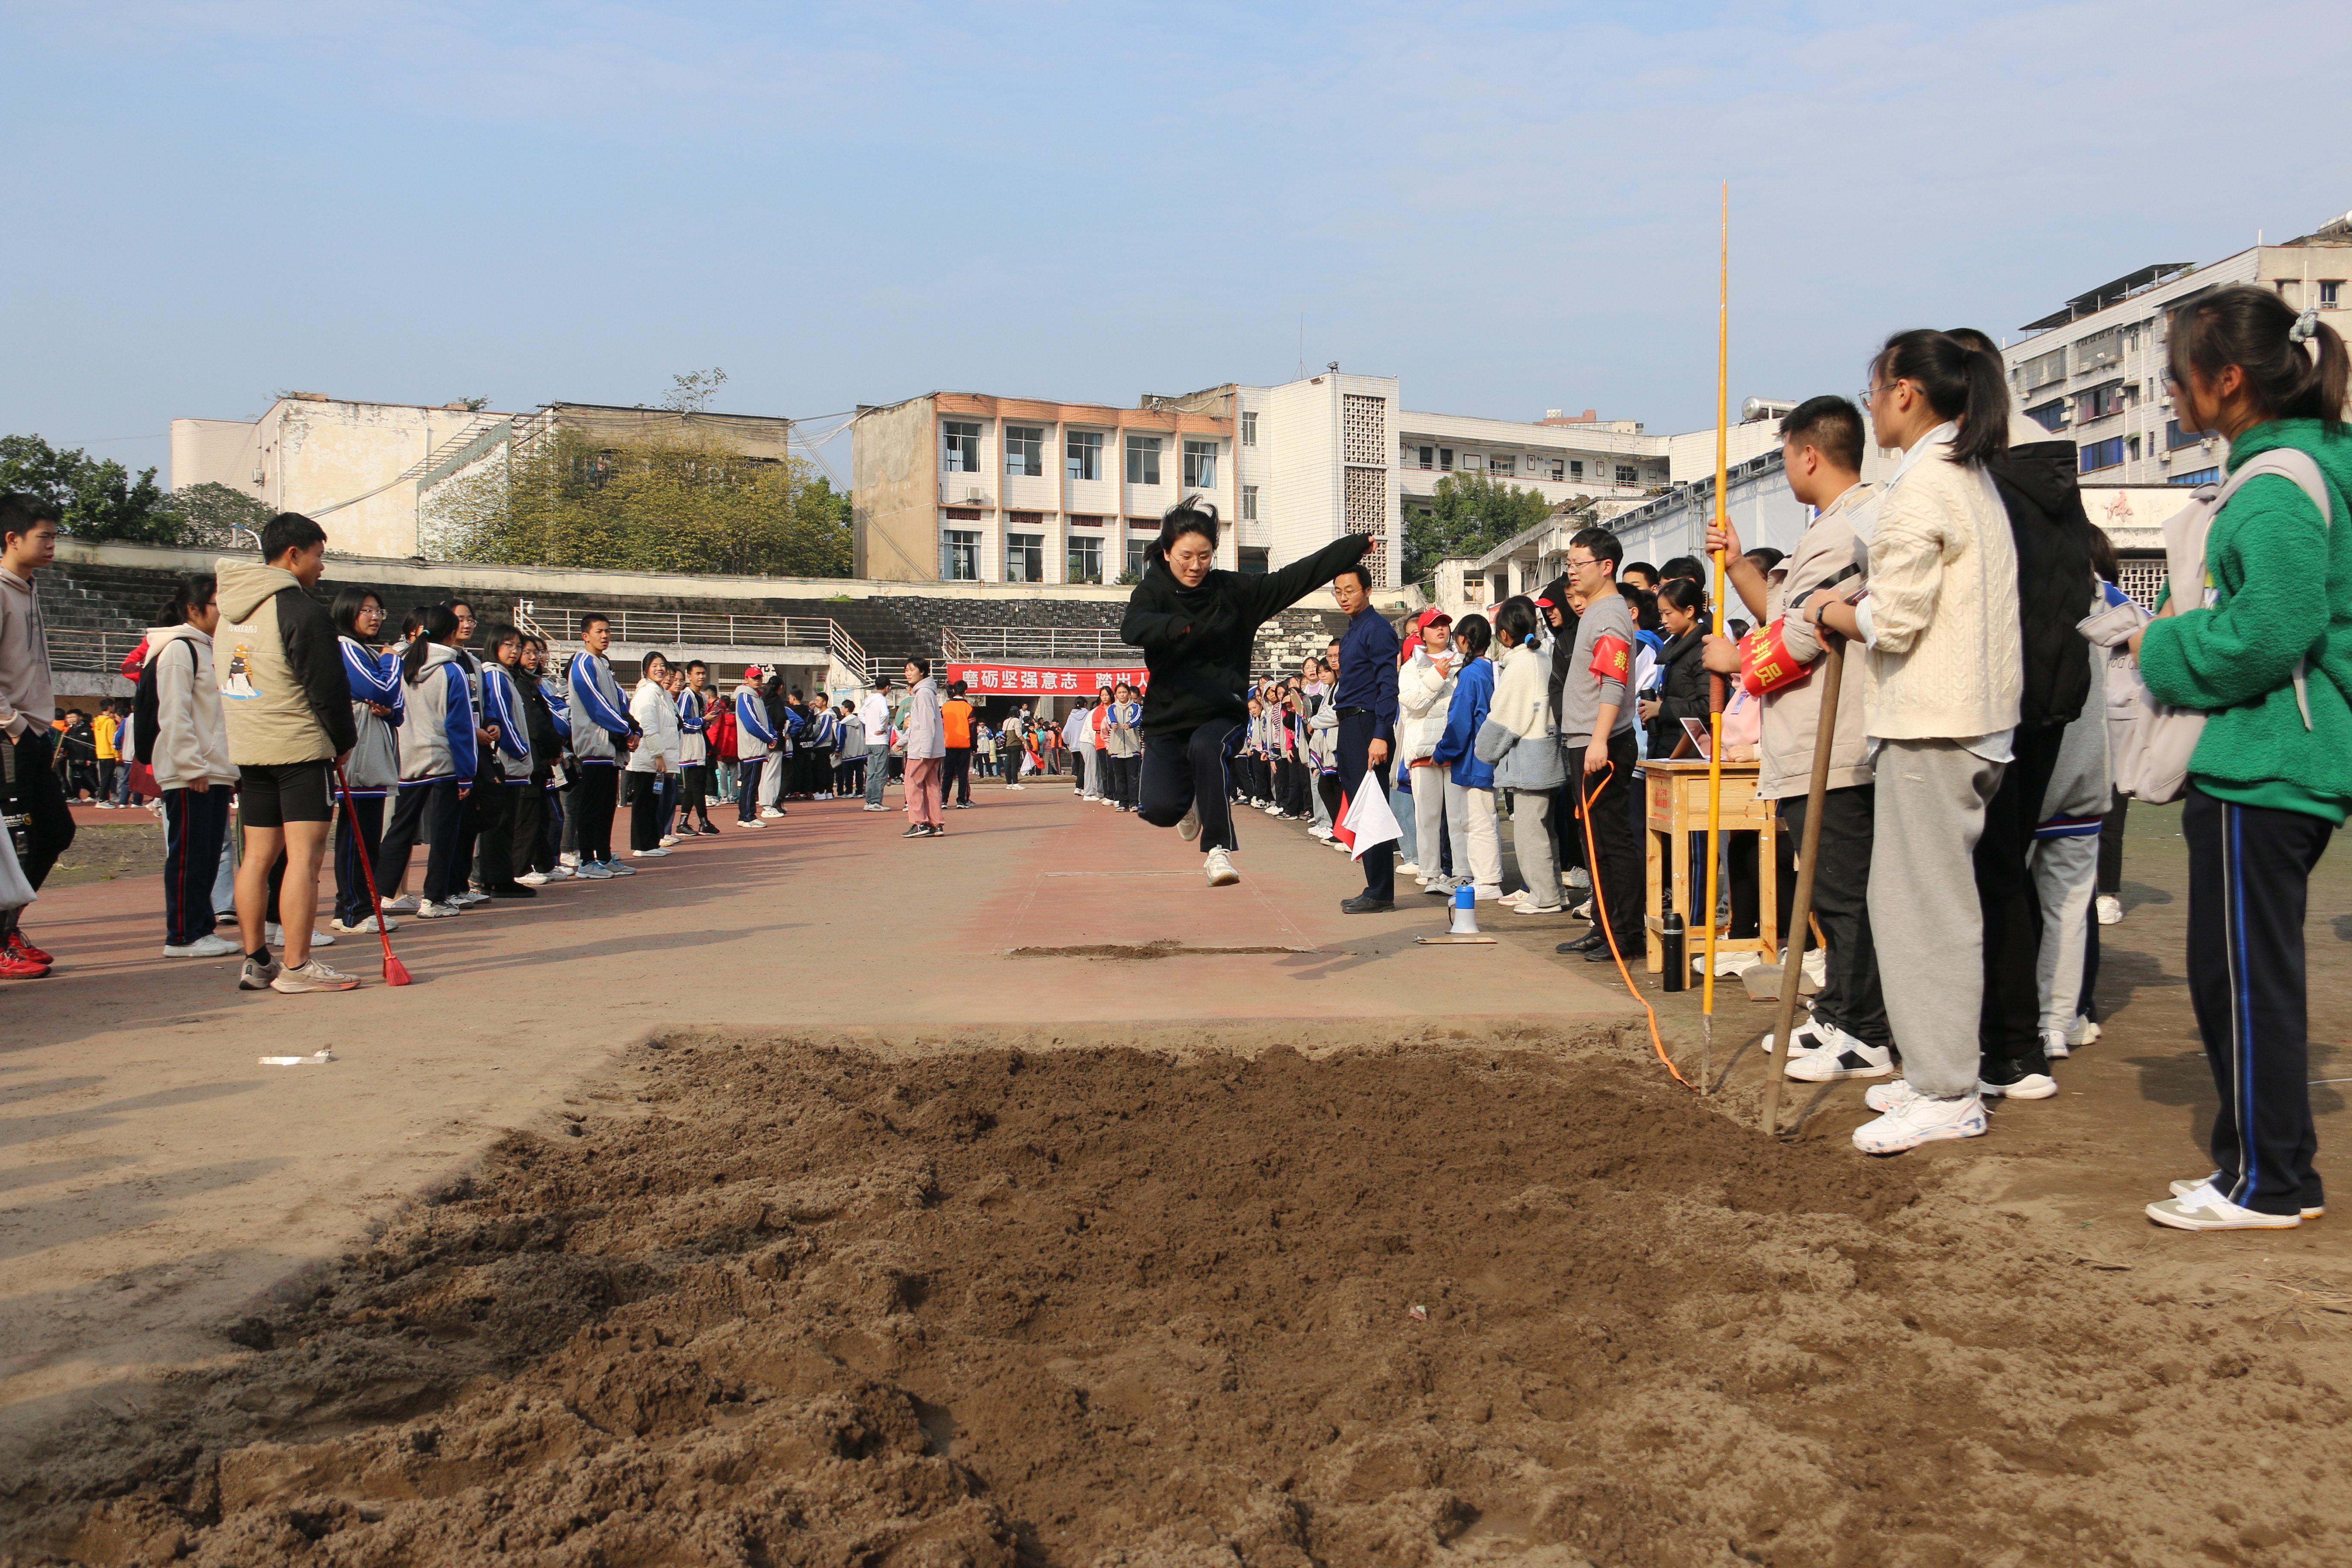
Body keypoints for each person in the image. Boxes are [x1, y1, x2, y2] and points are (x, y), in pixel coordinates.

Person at [2132, 285, 2349, 1230]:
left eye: (2179, 379)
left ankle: (2267, 1180)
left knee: (2245, 978)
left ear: (2228, 381)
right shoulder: (2308, 467)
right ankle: (2266, 1170)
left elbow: (2275, 625)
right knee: (2247, 971)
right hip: (2285, 761)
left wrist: (2158, 651)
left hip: (2265, 761)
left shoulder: (2272, 484)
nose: (2173, 396)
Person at [1806, 330, 2021, 1153]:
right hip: (1968, 719)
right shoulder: (1963, 474)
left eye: (1872, 387)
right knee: (1933, 904)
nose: (1868, 404)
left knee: (1920, 909)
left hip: (1935, 723)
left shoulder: (1923, 482)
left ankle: (1944, 1087)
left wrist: (1833, 612)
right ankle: (1937, 1067)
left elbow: (1892, 620)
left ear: (1904, 392)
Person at [1706, 396, 1890, 1080]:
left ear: (1808, 454)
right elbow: (1787, 611)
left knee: (1843, 893)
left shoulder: (1852, 529)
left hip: (1833, 744)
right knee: (1824, 892)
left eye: (1785, 455)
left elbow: (1803, 636)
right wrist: (1735, 565)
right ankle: (1841, 1009)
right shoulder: (1829, 528)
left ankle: (1867, 1029)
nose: (1785, 467)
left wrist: (1736, 661)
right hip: (1808, 741)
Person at [1122, 498, 1374, 888]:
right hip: (1167, 719)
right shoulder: (1151, 592)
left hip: (1220, 712)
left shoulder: (1234, 592)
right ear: (1168, 551)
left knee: (1208, 748)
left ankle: (1218, 850)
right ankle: (1187, 800)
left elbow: (1296, 577)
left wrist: (1352, 546)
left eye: (1204, 556)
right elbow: (1132, 628)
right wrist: (1170, 627)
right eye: (1186, 556)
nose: (1195, 566)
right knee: (1158, 809)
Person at [213, 512, 359, 992]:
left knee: (257, 858)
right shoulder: (301, 610)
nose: (322, 567)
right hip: (298, 748)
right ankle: (297, 966)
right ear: (293, 554)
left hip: (251, 748)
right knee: (305, 859)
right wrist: (343, 744)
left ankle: (258, 962)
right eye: (319, 556)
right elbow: (328, 690)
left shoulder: (230, 609)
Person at [1553, 528, 1641, 963]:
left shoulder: (1609, 615)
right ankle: (1603, 927)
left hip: (1600, 744)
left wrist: (1601, 739)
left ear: (1606, 566)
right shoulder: (1595, 611)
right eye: (1568, 565)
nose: (1571, 572)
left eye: (1578, 564)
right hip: (1585, 739)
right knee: (1593, 845)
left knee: (1609, 842)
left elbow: (1614, 680)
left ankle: (1624, 934)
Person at [145, 576, 239, 958]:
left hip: (215, 768)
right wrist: (190, 764)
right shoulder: (179, 650)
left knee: (207, 852)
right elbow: (174, 712)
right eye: (219, 604)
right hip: (192, 771)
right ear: (194, 610)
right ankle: (182, 934)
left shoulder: (217, 649)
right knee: (189, 854)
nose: (225, 613)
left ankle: (202, 928)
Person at [0, 493, 72, 977]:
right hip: (10, 734)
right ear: (12, 539)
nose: (52, 545)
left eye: (53, 536)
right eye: (43, 536)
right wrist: (16, 726)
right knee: (14, 842)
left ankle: (7, 928)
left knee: (56, 830)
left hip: (34, 731)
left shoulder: (28, 587)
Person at [1477, 597, 1565, 913]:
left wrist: (1484, 751)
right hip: (1547, 752)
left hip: (1532, 758)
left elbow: (1506, 717)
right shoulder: (1542, 657)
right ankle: (1554, 891)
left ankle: (1545, 896)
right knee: (1545, 830)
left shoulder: (1521, 664)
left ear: (1503, 635)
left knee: (1530, 834)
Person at [1329, 559, 1403, 911]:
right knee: (1360, 803)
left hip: (1367, 724)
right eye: (1338, 591)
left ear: (1368, 590)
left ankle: (1381, 891)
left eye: (1350, 591)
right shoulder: (1353, 628)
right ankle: (1375, 886)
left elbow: (1388, 686)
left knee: (1372, 804)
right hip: (1349, 724)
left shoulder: (1378, 629)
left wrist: (1381, 733)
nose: (1343, 597)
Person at [329, 589, 404, 933]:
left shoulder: (368, 652)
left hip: (376, 751)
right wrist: (391, 663)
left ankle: (362, 905)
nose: (374, 617)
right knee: (356, 834)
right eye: (365, 610)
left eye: (378, 610)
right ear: (348, 613)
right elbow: (381, 689)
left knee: (368, 835)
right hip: (359, 753)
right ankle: (352, 910)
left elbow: (396, 707)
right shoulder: (346, 646)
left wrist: (388, 708)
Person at [1430, 612, 1500, 901]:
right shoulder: (1491, 669)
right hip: (1487, 752)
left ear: (1463, 640)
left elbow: (1461, 720)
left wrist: (1442, 750)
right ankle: (1486, 877)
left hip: (1475, 754)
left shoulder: (1471, 673)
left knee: (1478, 821)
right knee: (1483, 817)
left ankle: (1488, 879)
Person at [475, 624, 537, 894]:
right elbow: (502, 717)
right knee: (501, 824)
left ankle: (494, 877)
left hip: (510, 761)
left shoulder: (504, 676)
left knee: (501, 823)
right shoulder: (496, 677)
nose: (515, 651)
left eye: (518, 646)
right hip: (507, 762)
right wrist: (522, 751)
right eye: (508, 645)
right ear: (494, 646)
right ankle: (498, 880)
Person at [1399, 610, 1457, 891]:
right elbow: (1413, 703)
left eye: (1444, 624)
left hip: (1456, 749)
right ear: (1422, 635)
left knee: (1459, 819)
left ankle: (1462, 874)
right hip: (1423, 750)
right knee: (1428, 817)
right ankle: (1432, 874)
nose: (1441, 630)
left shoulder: (1462, 662)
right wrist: (1437, 676)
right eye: (1433, 626)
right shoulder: (1410, 668)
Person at [1639, 578, 1711, 759]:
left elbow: (1709, 707)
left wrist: (1662, 709)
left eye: (1668, 613)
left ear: (1689, 611)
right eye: (1661, 614)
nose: (1663, 620)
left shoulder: (1705, 651)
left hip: (1688, 749)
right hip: (1668, 742)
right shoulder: (1676, 648)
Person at [625, 651, 680, 858]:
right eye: (655, 665)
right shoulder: (647, 694)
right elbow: (647, 726)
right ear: (646, 670)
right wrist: (658, 755)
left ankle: (652, 842)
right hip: (647, 759)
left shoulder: (663, 694)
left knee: (654, 801)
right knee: (644, 802)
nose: (660, 669)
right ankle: (642, 845)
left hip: (657, 760)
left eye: (662, 665)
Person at [901, 657, 946, 836]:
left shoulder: (923, 694)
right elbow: (920, 724)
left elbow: (927, 724)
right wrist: (903, 741)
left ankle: (920, 823)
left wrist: (925, 750)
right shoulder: (926, 693)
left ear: (922, 672)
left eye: (912, 670)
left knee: (912, 783)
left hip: (922, 749)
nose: (908, 674)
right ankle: (936, 823)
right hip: (930, 748)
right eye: (906, 670)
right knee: (931, 785)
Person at [677, 662, 717, 836]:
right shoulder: (687, 696)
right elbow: (683, 722)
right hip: (690, 746)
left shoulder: (700, 696)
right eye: (698, 674)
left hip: (698, 745)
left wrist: (706, 723)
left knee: (694, 786)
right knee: (698, 785)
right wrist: (703, 720)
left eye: (703, 674)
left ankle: (685, 822)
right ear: (689, 676)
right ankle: (703, 822)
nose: (701, 677)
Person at [940, 680, 975, 808]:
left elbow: (941, 726)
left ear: (953, 691)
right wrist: (974, 745)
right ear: (966, 691)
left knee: (947, 774)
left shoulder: (945, 707)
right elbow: (972, 728)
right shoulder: (968, 708)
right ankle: (961, 800)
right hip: (964, 745)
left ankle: (943, 800)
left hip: (948, 744)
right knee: (962, 774)